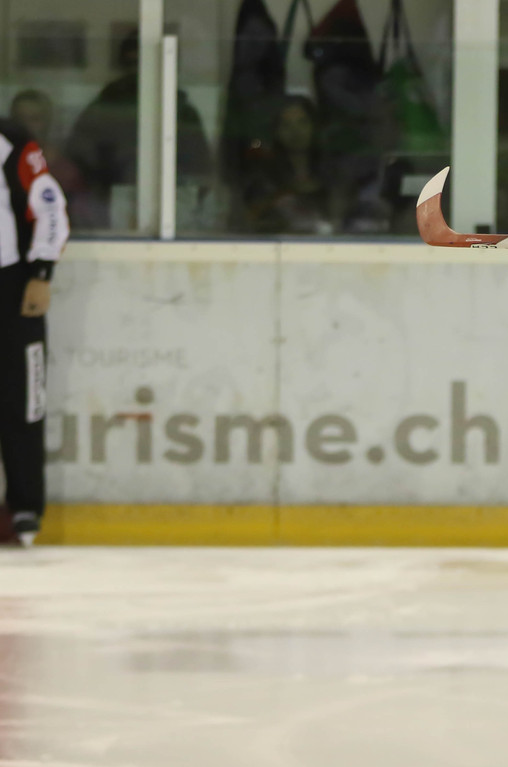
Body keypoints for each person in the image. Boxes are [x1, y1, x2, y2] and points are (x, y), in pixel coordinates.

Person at [0, 114, 69, 546]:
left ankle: (24, 507)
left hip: (11, 287)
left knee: (23, 397)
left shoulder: (10, 140)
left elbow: (49, 205)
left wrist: (42, 271)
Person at [64, 31, 212, 229]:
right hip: (110, 204)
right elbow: (78, 159)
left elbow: (200, 167)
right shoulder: (103, 109)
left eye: (145, 63)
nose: (140, 71)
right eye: (133, 63)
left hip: (173, 202)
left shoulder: (182, 111)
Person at [237, 96, 334, 235]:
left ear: (314, 127)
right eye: (286, 125)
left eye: (302, 122)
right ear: (276, 131)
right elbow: (253, 221)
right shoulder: (263, 178)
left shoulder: (332, 172)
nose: (296, 131)